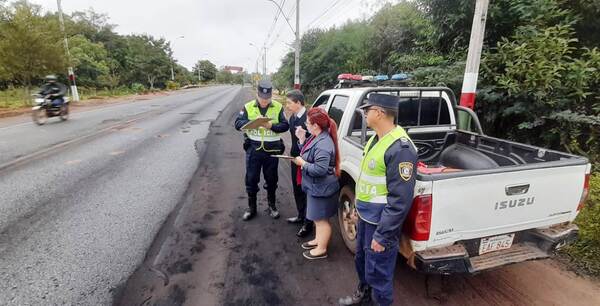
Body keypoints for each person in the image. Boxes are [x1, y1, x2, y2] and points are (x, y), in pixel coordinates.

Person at [338, 94, 418, 306]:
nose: (364, 114)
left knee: (379, 274)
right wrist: (358, 209)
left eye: (367, 110)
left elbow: (399, 201)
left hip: (381, 225)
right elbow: (367, 183)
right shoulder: (375, 139)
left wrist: (383, 235)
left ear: (380, 113)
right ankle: (364, 298)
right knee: (362, 261)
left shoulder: (400, 149)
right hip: (366, 218)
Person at [234, 80, 290, 221]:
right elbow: (237, 124)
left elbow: (285, 126)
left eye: (267, 98)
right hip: (254, 150)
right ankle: (251, 208)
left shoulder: (278, 106)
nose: (265, 101)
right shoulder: (248, 107)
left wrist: (270, 125)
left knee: (272, 179)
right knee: (251, 179)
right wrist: (254, 124)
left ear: (270, 96)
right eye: (262, 98)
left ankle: (272, 206)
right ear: (257, 95)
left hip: (272, 150)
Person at [293, 107, 340, 260]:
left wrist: (303, 164)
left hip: (321, 187)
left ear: (316, 125)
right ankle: (318, 241)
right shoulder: (316, 137)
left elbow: (320, 169)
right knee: (317, 218)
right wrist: (301, 140)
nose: (305, 125)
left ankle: (322, 249)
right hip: (316, 187)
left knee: (321, 220)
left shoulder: (323, 143)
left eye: (307, 123)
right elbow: (308, 154)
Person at [284, 90, 314, 238]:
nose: (287, 105)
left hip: (308, 160)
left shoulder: (310, 118)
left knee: (306, 190)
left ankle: (309, 223)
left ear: (298, 103)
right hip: (295, 158)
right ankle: (301, 215)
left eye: (289, 103)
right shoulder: (293, 117)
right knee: (296, 188)